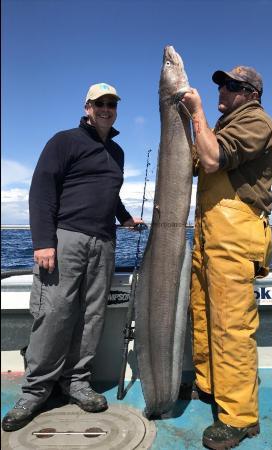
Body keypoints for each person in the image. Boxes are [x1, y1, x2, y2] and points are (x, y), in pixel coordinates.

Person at [2, 82, 142, 432]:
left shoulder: (118, 152)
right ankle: (35, 390)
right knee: (55, 312)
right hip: (66, 239)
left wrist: (125, 218)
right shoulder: (63, 141)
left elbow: (110, 194)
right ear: (87, 107)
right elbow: (42, 191)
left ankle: (77, 381)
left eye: (111, 104)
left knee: (93, 315)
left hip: (104, 242)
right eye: (99, 104)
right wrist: (43, 242)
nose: (106, 109)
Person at [181, 66, 272, 449]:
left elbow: (212, 160)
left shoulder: (256, 122)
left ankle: (239, 417)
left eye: (232, 85)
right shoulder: (219, 127)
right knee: (203, 314)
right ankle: (209, 387)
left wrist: (198, 113)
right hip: (207, 236)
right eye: (220, 83)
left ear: (251, 93)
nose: (222, 89)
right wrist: (190, 124)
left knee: (231, 326)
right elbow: (191, 161)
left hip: (236, 237)